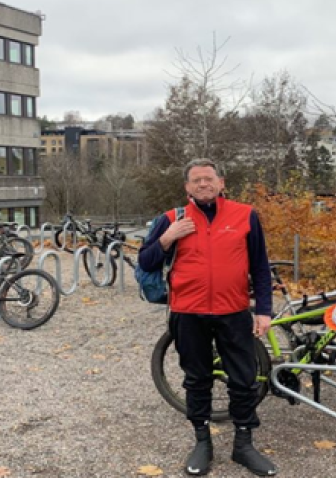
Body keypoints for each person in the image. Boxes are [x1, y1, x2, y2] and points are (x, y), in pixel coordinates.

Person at [138, 158, 276, 476]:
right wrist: (167, 237)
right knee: (197, 380)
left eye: (209, 179)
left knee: (243, 380)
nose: (203, 184)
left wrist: (265, 310)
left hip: (234, 311)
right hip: (188, 313)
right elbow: (146, 262)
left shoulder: (245, 215)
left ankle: (244, 445)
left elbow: (260, 267)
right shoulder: (171, 219)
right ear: (187, 187)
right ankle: (203, 443)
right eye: (196, 180)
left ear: (221, 183)